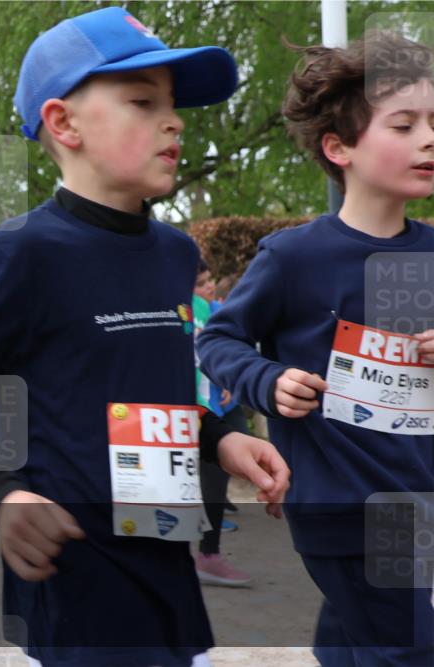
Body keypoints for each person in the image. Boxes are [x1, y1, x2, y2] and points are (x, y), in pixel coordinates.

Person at [0, 7, 291, 665]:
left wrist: (220, 437)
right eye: (142, 101)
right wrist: (0, 495)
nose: (172, 121)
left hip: (169, 564)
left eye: (173, 104)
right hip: (75, 576)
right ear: (63, 122)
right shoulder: (22, 252)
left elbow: (141, 387)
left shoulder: (174, 252)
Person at [198, 31, 434, 666]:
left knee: (357, 642)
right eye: (405, 125)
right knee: (409, 651)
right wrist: (267, 380)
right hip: (339, 503)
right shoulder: (295, 256)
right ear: (340, 147)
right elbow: (217, 339)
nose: (429, 139)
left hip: (419, 500)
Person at [192, 261, 249, 586]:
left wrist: (227, 376)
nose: (209, 286)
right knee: (208, 478)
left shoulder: (211, 308)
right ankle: (207, 555)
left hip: (220, 404)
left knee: (224, 470)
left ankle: (208, 554)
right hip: (193, 410)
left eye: (210, 278)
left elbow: (222, 345)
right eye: (201, 282)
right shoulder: (177, 306)